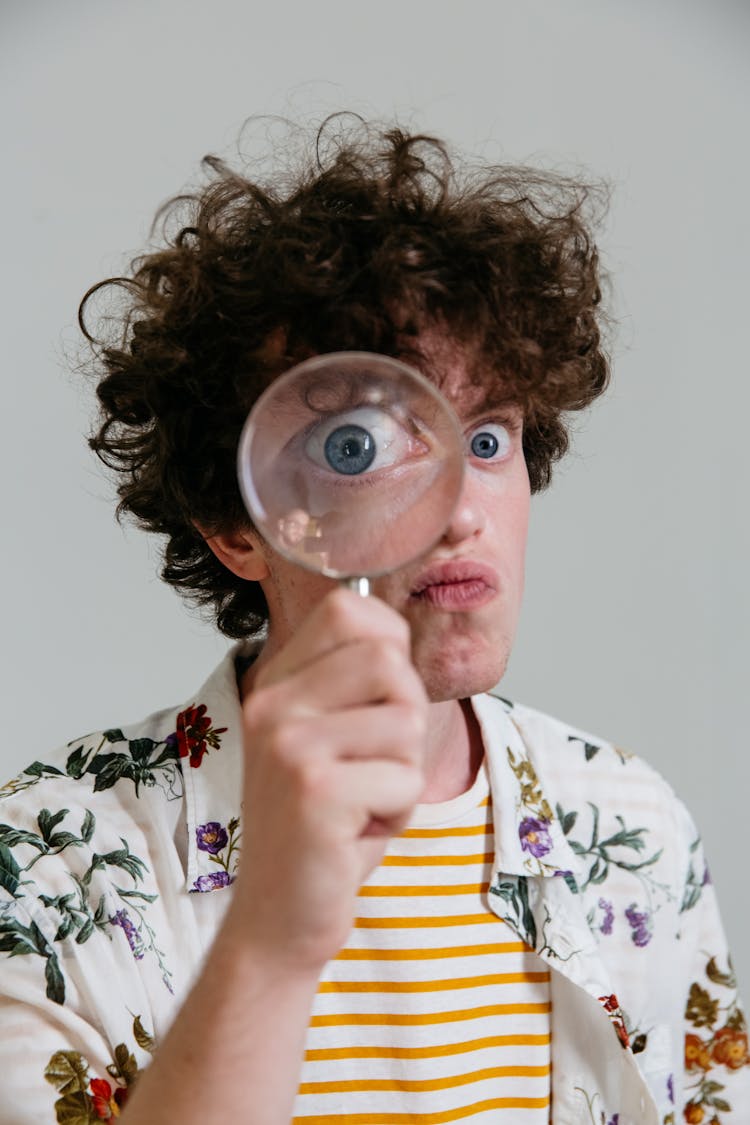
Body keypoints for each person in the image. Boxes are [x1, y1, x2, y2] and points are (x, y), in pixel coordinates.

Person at [0, 117, 746, 1125]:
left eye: (487, 437)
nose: (462, 509)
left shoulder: (631, 831)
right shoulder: (46, 866)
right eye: (359, 445)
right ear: (235, 523)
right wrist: (270, 941)